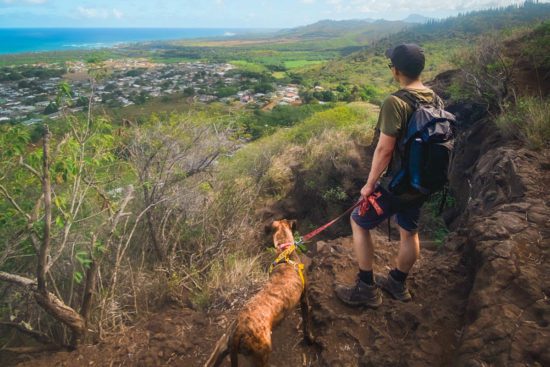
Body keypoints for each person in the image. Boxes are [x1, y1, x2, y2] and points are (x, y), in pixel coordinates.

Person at [335, 43, 439, 307]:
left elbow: (384, 149)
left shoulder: (396, 102)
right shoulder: (435, 98)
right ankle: (397, 282)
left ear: (395, 70)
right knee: (409, 231)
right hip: (422, 182)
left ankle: (366, 288)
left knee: (359, 221)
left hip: (398, 183)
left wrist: (369, 186)